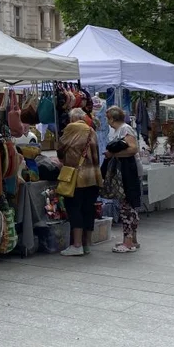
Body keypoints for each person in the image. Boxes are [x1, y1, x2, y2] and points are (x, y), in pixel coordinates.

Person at [57, 108, 103, 256]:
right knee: (88, 209)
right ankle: (86, 244)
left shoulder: (72, 128)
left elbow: (60, 148)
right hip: (94, 177)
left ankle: (77, 245)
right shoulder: (91, 130)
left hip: (77, 177)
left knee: (74, 208)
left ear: (73, 118)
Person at [105, 106, 142, 253]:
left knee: (126, 206)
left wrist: (113, 155)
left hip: (127, 172)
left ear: (112, 118)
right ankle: (132, 239)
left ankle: (128, 242)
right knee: (130, 205)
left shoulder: (124, 129)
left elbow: (133, 148)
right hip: (127, 171)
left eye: (108, 117)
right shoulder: (122, 130)